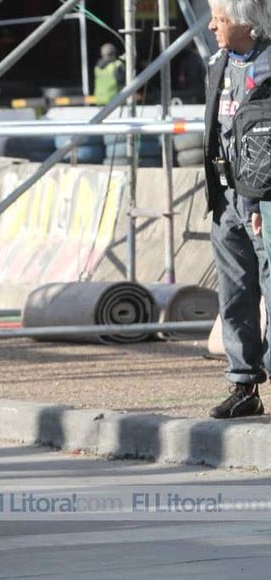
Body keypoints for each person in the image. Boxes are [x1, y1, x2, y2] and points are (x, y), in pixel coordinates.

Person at [204, 0, 271, 419]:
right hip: (225, 195)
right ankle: (244, 385)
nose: (213, 26)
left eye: (221, 18)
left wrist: (261, 197)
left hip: (264, 197)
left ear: (246, 22)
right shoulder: (218, 64)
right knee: (234, 292)